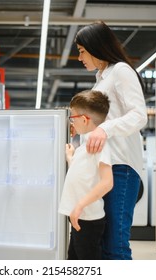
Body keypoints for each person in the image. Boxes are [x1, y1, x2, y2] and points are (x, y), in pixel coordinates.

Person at [74, 21, 148, 260]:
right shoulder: (100, 81)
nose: (79, 57)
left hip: (122, 169)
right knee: (104, 245)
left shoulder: (120, 71)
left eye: (82, 51)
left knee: (115, 245)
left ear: (96, 47)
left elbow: (139, 115)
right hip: (104, 170)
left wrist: (104, 129)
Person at [58, 89, 113, 260]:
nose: (71, 122)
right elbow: (83, 174)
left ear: (83, 119)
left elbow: (107, 182)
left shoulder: (99, 146)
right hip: (79, 216)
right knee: (73, 258)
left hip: (87, 218)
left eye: (72, 117)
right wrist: (70, 158)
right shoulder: (85, 145)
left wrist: (80, 206)